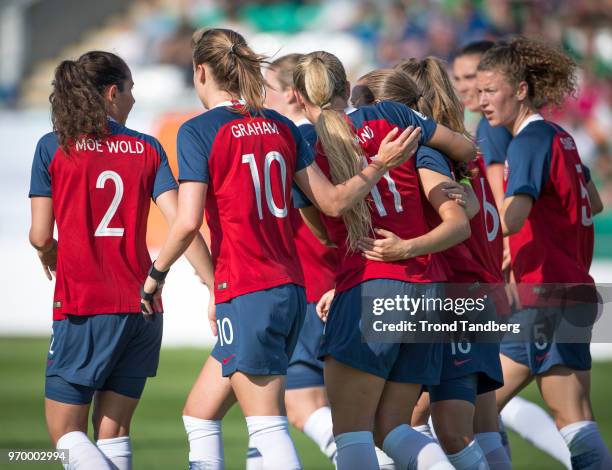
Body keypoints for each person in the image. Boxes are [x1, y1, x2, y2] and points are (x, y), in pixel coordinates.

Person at [139, 29, 422, 470]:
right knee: (200, 412)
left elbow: (187, 221)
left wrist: (155, 276)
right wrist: (379, 164)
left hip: (248, 286)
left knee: (269, 426)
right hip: (290, 287)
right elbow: (330, 202)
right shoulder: (283, 127)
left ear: (200, 72)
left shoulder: (198, 130)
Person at [292, 50, 477, 470]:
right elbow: (464, 148)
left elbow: (323, 231)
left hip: (369, 283)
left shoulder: (304, 144)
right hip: (425, 286)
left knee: (352, 433)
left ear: (298, 97)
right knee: (394, 429)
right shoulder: (392, 113)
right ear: (345, 87)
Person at [28, 51, 211, 470]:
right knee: (114, 432)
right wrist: (213, 282)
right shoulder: (147, 147)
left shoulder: (52, 146)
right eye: (130, 90)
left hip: (84, 307)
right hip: (142, 307)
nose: (132, 100)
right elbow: (184, 223)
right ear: (112, 93)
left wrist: (48, 252)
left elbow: (40, 235)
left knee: (66, 433)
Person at [357, 60, 510, 470]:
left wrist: (404, 248)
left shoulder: (433, 155)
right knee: (476, 425)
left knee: (449, 428)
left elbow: (460, 222)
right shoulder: (459, 153)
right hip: (473, 292)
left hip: (458, 296)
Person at [477, 36, 611, 469]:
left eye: (489, 90)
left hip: (543, 298)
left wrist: (465, 219)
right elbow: (595, 202)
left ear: (520, 90)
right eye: (477, 92)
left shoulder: (528, 141)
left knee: (464, 408)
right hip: (571, 292)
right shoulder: (560, 137)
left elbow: (512, 217)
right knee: (574, 419)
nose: (481, 101)